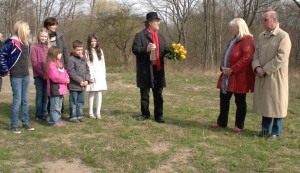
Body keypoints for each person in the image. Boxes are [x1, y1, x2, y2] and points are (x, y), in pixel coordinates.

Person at [252, 11, 292, 141]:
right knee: (266, 103)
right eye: (263, 20)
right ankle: (265, 129)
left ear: (274, 20)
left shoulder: (283, 36)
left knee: (276, 103)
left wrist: (266, 69)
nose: (263, 22)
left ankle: (276, 131)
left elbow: (281, 57)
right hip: (262, 75)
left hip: (275, 77)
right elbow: (255, 54)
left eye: (265, 19)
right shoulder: (261, 36)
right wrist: (257, 67)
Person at [211, 18, 255, 132]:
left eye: (232, 27)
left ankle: (239, 125)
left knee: (240, 101)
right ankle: (221, 122)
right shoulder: (233, 39)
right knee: (224, 99)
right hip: (227, 76)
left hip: (240, 77)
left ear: (239, 27)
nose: (231, 29)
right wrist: (223, 67)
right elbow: (225, 54)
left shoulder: (247, 40)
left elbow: (247, 58)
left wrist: (233, 69)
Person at [132, 12, 168, 123]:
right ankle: (145, 114)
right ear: (150, 23)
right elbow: (135, 49)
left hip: (158, 70)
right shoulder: (140, 35)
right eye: (156, 21)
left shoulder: (161, 37)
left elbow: (165, 50)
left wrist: (174, 52)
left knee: (158, 94)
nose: (159, 23)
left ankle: (159, 115)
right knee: (144, 94)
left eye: (158, 21)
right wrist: (145, 49)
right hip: (145, 70)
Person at [0, 21, 34, 133]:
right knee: (17, 100)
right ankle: (14, 125)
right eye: (28, 28)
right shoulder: (12, 42)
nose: (29, 30)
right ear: (22, 30)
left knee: (25, 100)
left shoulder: (27, 43)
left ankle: (25, 122)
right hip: (16, 75)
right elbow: (1, 55)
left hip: (25, 75)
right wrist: (4, 69)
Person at [44, 17, 68, 116]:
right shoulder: (44, 36)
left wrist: (66, 64)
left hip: (60, 65)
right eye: (52, 25)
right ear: (47, 26)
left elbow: (65, 50)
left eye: (55, 24)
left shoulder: (60, 36)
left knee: (60, 90)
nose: (54, 26)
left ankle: (60, 111)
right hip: (49, 66)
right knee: (51, 91)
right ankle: (49, 112)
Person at [45, 46, 69, 127]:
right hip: (54, 89)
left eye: (60, 53)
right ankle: (53, 122)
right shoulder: (51, 65)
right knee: (55, 106)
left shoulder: (59, 63)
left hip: (61, 89)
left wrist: (67, 78)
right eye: (58, 53)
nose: (60, 55)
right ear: (54, 54)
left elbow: (64, 72)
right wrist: (65, 80)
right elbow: (55, 77)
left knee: (59, 106)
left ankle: (58, 121)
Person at [67, 40, 90, 123]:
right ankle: (73, 116)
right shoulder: (71, 59)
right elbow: (71, 73)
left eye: (81, 49)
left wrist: (87, 80)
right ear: (73, 50)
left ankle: (79, 115)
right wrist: (80, 81)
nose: (80, 51)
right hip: (74, 85)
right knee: (73, 101)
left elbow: (87, 70)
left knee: (80, 101)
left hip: (82, 85)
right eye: (78, 50)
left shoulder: (84, 59)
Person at [85, 34, 107, 119]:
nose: (93, 43)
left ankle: (98, 112)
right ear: (89, 42)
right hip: (92, 75)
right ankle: (90, 112)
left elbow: (103, 64)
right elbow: (88, 64)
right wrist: (91, 75)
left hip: (100, 75)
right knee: (92, 92)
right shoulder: (87, 52)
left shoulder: (100, 51)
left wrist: (104, 74)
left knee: (99, 93)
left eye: (95, 41)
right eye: (92, 41)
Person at [30, 28, 50, 121]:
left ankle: (44, 113)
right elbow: (35, 63)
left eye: (45, 36)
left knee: (45, 96)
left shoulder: (48, 48)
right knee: (39, 96)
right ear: (39, 36)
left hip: (48, 76)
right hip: (39, 76)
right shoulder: (35, 48)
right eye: (42, 36)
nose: (43, 38)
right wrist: (43, 75)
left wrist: (48, 74)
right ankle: (38, 114)